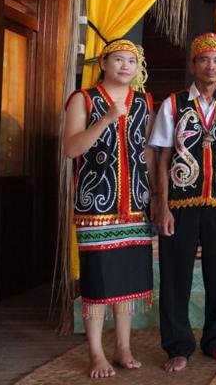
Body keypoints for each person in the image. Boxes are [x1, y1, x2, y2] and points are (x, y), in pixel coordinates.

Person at [150, 32, 216, 372]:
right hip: (181, 204)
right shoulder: (173, 104)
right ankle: (178, 346)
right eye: (204, 59)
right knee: (175, 276)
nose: (211, 66)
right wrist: (162, 205)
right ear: (193, 65)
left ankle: (214, 340)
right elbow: (162, 157)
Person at [63, 39, 155, 379]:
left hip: (135, 204)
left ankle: (123, 346)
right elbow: (71, 148)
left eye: (131, 60)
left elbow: (146, 151)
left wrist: (154, 195)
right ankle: (95, 352)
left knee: (126, 278)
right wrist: (105, 119)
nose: (125, 66)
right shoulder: (84, 98)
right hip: (95, 205)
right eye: (118, 59)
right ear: (103, 63)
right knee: (99, 280)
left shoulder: (143, 101)